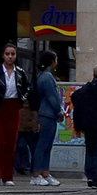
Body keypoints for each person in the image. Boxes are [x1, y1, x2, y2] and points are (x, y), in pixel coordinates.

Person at [0, 43, 32, 186]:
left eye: (13, 54)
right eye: (7, 54)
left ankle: (8, 177)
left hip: (13, 107)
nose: (10, 57)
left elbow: (27, 88)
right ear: (3, 55)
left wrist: (22, 99)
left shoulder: (20, 72)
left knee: (11, 143)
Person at [31, 50, 63, 186]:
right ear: (52, 61)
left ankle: (45, 172)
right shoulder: (47, 77)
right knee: (43, 145)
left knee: (46, 145)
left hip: (46, 114)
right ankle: (37, 174)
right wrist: (59, 111)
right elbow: (53, 97)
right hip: (47, 114)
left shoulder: (42, 76)